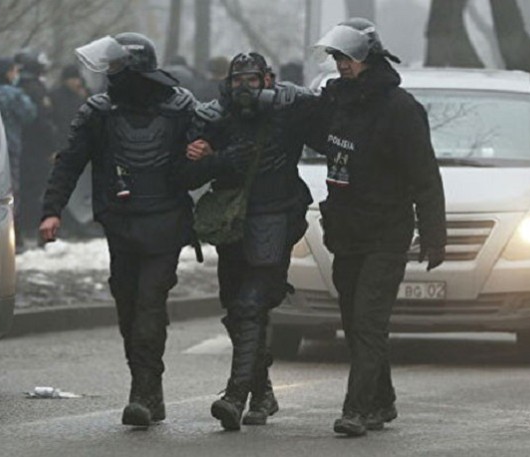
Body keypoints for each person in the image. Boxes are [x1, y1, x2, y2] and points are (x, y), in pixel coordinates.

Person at [39, 33, 204, 427]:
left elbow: (209, 156)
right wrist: (52, 210)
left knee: (149, 305)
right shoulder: (100, 110)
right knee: (129, 308)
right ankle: (148, 386)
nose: (110, 74)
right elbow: (70, 161)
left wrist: (204, 152)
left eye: (116, 67)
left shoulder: (181, 107)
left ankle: (143, 395)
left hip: (165, 224)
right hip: (122, 223)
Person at [309, 18, 446, 436]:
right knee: (354, 321)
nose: (341, 65)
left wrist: (434, 235)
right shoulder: (334, 103)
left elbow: (425, 175)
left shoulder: (400, 109)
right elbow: (315, 138)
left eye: (348, 56)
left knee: (368, 321)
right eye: (336, 57)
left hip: (387, 231)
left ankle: (357, 409)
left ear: (369, 57)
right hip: (347, 230)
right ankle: (382, 401)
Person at [186, 52, 316, 431]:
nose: (245, 87)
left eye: (252, 80)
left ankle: (235, 395)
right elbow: (188, 175)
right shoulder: (216, 117)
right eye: (238, 79)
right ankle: (263, 392)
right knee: (236, 309)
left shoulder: (286, 113)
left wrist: (284, 96)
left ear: (267, 80)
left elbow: (319, 115)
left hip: (276, 218)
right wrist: (210, 159)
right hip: (234, 226)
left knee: (250, 303)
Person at [0, 57, 38, 251]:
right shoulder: (15, 94)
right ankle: (14, 237)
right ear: (9, 72)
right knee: (12, 192)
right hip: (11, 147)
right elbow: (30, 114)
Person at [15, 47, 57, 241]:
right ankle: (35, 233)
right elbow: (43, 122)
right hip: (36, 151)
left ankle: (23, 230)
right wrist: (51, 147)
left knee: (23, 192)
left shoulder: (17, 86)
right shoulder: (35, 89)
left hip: (20, 149)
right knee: (37, 192)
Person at [50, 64, 90, 151]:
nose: (76, 82)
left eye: (77, 79)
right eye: (73, 79)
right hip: (62, 141)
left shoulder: (83, 95)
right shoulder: (56, 96)